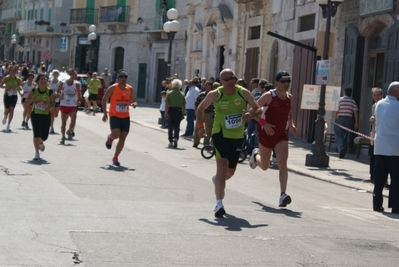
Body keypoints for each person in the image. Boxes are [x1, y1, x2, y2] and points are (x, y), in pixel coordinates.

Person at [197, 68, 261, 217]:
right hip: (220, 134)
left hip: (237, 136)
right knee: (221, 166)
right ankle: (219, 204)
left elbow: (258, 108)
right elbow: (200, 108)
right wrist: (201, 128)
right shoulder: (215, 94)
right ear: (221, 82)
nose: (231, 81)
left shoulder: (243, 92)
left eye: (233, 78)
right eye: (227, 79)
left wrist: (250, 115)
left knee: (230, 172)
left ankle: (218, 181)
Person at [248, 71, 297, 208]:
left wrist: (291, 123)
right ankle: (255, 155)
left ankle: (283, 195)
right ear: (276, 82)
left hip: (281, 134)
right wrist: (264, 123)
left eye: (288, 81)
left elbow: (289, 110)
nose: (286, 84)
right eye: (283, 81)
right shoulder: (269, 96)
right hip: (266, 133)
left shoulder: (289, 97)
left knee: (282, 162)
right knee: (264, 166)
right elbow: (252, 112)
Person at [372, 81, 399, 214]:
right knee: (396, 178)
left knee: (379, 177)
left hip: (380, 146)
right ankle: (395, 205)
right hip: (394, 147)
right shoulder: (398, 106)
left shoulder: (379, 104)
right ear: (394, 91)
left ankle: (377, 204)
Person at [102, 70, 137, 166]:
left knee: (123, 137)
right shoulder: (113, 88)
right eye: (121, 76)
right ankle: (110, 138)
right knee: (116, 134)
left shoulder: (130, 89)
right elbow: (104, 99)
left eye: (125, 77)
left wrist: (134, 103)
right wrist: (105, 113)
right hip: (114, 114)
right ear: (118, 78)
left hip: (125, 116)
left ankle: (115, 157)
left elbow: (134, 100)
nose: (123, 78)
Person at [24, 74, 55, 160]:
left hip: (45, 115)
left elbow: (53, 102)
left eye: (45, 79)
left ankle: (41, 142)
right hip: (35, 115)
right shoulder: (34, 91)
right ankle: (36, 153)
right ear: (37, 81)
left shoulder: (49, 92)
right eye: (41, 79)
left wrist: (49, 107)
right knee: (36, 134)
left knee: (44, 136)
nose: (43, 80)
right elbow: (26, 102)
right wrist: (32, 100)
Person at [364, 87, 383, 183]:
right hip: (374, 134)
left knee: (380, 158)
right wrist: (371, 120)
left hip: (381, 135)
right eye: (374, 95)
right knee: (372, 156)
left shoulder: (384, 105)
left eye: (378, 95)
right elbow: (373, 120)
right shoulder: (374, 105)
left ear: (382, 95)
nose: (376, 97)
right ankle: (372, 176)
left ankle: (380, 178)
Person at [56, 68, 81, 145]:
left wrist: (78, 100)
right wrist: (59, 96)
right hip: (64, 104)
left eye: (73, 74)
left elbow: (79, 94)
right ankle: (63, 137)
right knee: (64, 123)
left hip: (73, 105)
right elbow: (57, 92)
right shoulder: (62, 83)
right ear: (68, 75)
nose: (72, 76)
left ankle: (69, 130)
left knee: (73, 121)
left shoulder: (77, 84)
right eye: (71, 74)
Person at [333, 87, 358, 158]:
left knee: (338, 135)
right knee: (346, 136)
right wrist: (356, 122)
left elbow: (336, 111)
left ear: (344, 92)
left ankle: (341, 149)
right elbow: (355, 112)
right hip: (349, 119)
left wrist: (334, 120)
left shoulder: (339, 100)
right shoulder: (352, 101)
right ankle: (344, 150)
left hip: (340, 118)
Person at [165, 79, 186, 148]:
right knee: (177, 126)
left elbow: (167, 104)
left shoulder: (169, 93)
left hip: (171, 110)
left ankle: (170, 140)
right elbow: (183, 105)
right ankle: (176, 137)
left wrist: (166, 113)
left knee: (170, 126)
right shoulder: (182, 94)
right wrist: (183, 114)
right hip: (179, 111)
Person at [193, 81, 214, 148]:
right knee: (198, 127)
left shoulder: (213, 95)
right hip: (201, 113)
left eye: (206, 85)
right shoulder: (201, 94)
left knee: (208, 129)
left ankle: (206, 143)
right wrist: (196, 111)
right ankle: (196, 142)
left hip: (209, 113)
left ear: (210, 86)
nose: (205, 86)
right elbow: (196, 103)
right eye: (204, 85)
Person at [1, 65, 22, 132]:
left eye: (14, 71)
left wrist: (20, 88)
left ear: (16, 72)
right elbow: (0, 85)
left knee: (12, 110)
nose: (13, 72)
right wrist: (5, 87)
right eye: (11, 70)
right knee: (7, 110)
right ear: (9, 71)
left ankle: (8, 125)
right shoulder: (7, 78)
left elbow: (20, 86)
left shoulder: (18, 79)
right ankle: (5, 116)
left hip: (14, 96)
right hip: (7, 95)